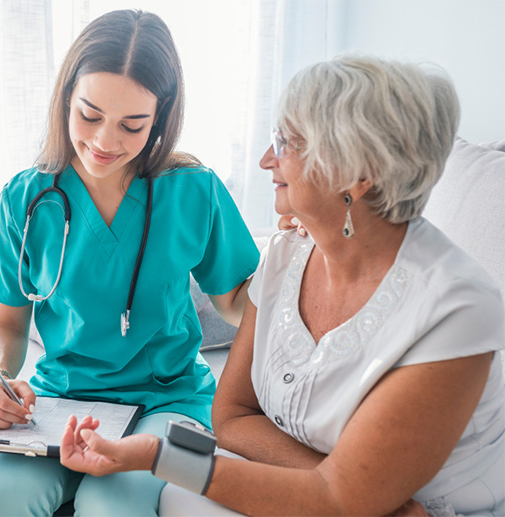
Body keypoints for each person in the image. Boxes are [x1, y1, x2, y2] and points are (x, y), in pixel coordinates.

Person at [59, 55, 505, 516]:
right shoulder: (287, 253)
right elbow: (231, 418)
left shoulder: (456, 310)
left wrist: (158, 457)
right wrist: (352, 487)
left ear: (359, 172)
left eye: (286, 142)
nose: (267, 159)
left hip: (431, 510)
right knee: (180, 499)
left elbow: (337, 501)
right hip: (351, 499)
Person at [0, 9, 260, 516]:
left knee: (113, 505)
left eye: (132, 125)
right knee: (1, 497)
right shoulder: (25, 198)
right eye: (89, 115)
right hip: (60, 400)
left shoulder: (194, 190)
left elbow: (239, 302)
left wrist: (308, 261)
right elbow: (8, 324)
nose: (105, 142)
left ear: (162, 118)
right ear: (65, 100)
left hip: (171, 404)